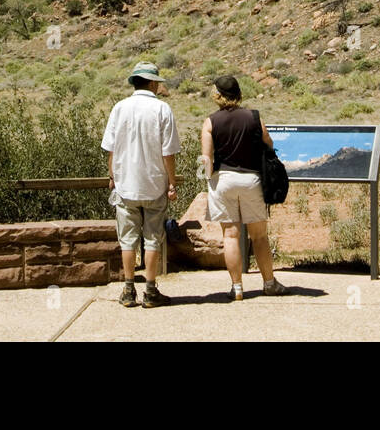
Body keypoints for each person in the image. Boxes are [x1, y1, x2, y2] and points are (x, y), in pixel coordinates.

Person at [199, 75, 288, 300]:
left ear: (217, 95)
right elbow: (268, 143)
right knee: (259, 236)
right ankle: (269, 282)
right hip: (251, 180)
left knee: (230, 235)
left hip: (223, 180)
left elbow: (206, 158)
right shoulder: (253, 117)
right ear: (238, 94)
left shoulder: (210, 122)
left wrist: (210, 179)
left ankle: (237, 287)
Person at [102, 61, 180, 308]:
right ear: (153, 83)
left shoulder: (119, 108)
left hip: (126, 184)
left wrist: (113, 176)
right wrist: (171, 182)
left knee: (127, 240)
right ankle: (150, 290)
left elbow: (111, 149)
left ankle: (127, 289)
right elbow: (168, 152)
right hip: (154, 184)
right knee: (153, 238)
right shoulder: (162, 109)